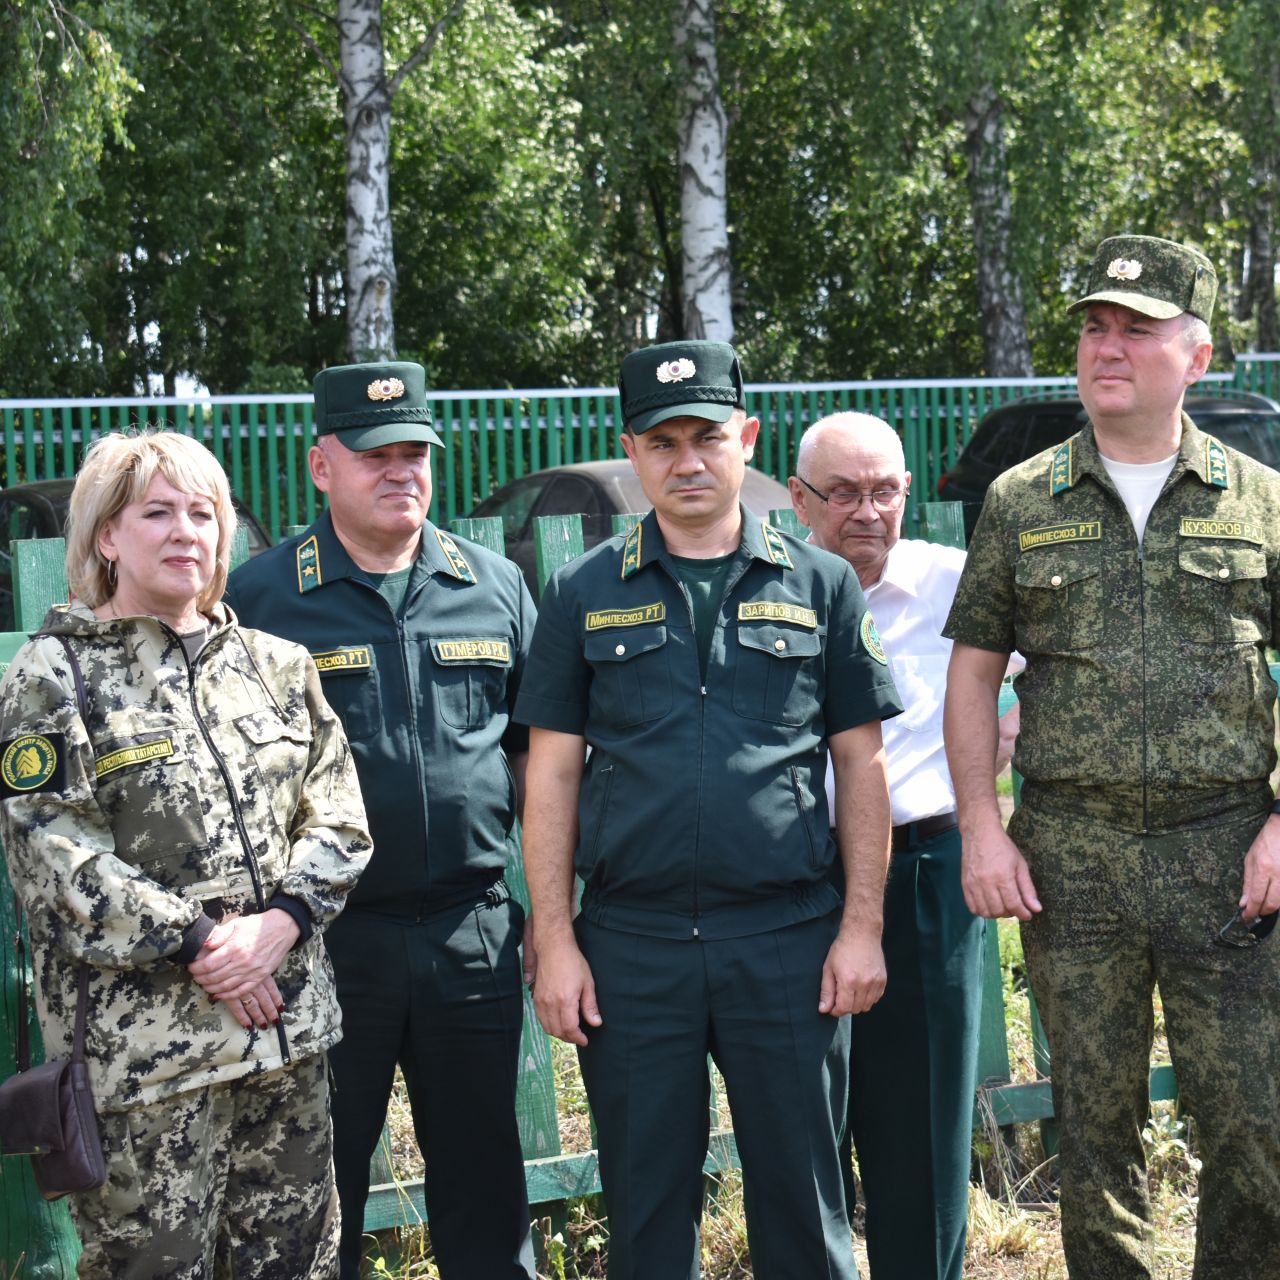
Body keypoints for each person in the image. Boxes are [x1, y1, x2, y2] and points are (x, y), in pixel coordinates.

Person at [942, 234, 1280, 1278]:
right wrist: (982, 828)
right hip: (1073, 854)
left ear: (1197, 356)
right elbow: (974, 675)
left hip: (1227, 851)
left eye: (1136, 328)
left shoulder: (1260, 497)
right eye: (1094, 327)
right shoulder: (1020, 500)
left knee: (1251, 1124)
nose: (1107, 347)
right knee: (1092, 1127)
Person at [515, 341, 903, 1280]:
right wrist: (556, 941)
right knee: (647, 1211)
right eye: (662, 442)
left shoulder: (820, 583)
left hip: (787, 939)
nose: (687, 461)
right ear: (632, 450)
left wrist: (861, 929)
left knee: (806, 1206)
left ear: (747, 439)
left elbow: (861, 764)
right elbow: (551, 777)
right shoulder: (581, 590)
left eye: (708, 437)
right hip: (633, 947)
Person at [0, 431, 371, 1277]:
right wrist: (205, 943)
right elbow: (55, 857)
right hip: (147, 1071)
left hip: (287, 1043)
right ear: (106, 537)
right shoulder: (56, 677)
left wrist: (282, 923)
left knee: (298, 1265)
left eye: (202, 514)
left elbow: (340, 818)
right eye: (156, 513)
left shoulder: (276, 666)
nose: (184, 533)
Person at [227, 362, 539, 1278]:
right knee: (318, 1201)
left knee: (486, 1192)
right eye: (375, 456)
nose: (400, 470)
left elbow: (535, 761)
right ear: (323, 466)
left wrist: (549, 916)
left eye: (415, 453)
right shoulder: (262, 597)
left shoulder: (491, 585)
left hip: (469, 934)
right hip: (325, 945)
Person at [787, 411, 1017, 1280]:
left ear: (908, 492)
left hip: (924, 871)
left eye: (884, 489)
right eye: (842, 492)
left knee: (922, 1120)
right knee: (804, 1120)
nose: (866, 510)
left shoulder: (957, 586)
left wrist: (1001, 741)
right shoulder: (773, 586)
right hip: (795, 877)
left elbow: (1056, 675)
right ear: (801, 500)